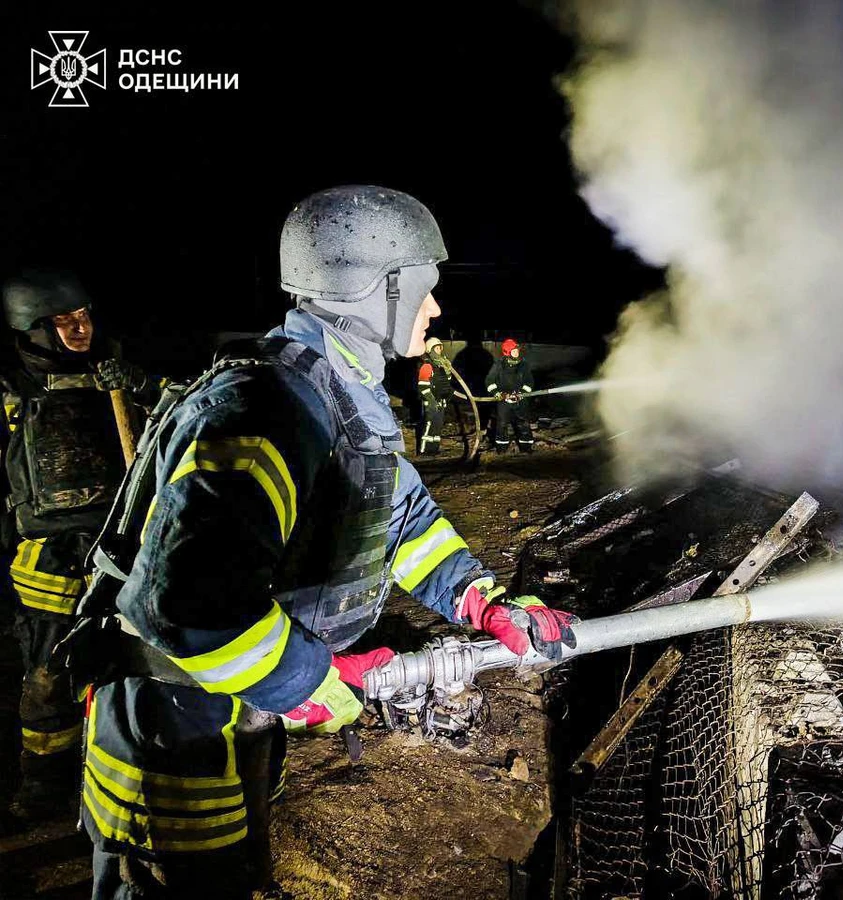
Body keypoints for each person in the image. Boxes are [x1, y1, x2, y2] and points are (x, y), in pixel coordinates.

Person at [68, 186, 578, 898]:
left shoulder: (341, 396)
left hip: (234, 701)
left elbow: (403, 524)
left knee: (237, 872)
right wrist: (309, 680)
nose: (435, 310)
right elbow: (186, 607)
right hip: (174, 716)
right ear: (376, 290)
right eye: (425, 290)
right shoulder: (267, 413)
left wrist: (485, 604)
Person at [0, 271, 160, 820]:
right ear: (33, 329)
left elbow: (175, 422)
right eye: (64, 322)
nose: (80, 329)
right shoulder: (11, 391)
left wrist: (140, 387)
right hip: (48, 556)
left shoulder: (114, 373)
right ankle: (44, 783)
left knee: (131, 661)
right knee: (49, 672)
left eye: (84, 316)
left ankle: (122, 772)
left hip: (122, 543)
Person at [486, 337, 535, 453]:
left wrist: (522, 393)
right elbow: (489, 382)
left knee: (523, 423)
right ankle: (501, 448)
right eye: (514, 351)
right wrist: (498, 393)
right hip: (504, 400)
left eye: (517, 350)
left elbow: (529, 382)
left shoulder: (523, 365)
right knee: (501, 424)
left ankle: (526, 447)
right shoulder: (499, 365)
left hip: (520, 399)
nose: (517, 352)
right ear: (507, 353)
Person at [416, 336, 454, 455]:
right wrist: (431, 400)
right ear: (430, 350)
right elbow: (422, 386)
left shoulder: (443, 366)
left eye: (440, 348)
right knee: (429, 425)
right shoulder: (427, 366)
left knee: (437, 426)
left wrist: (448, 393)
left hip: (441, 401)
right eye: (436, 348)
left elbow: (445, 383)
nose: (439, 351)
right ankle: (423, 450)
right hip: (431, 401)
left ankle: (434, 449)